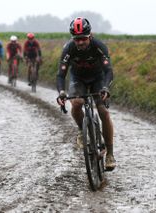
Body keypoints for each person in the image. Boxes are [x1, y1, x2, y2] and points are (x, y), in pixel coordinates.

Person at [56, 17, 116, 171]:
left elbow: (108, 70)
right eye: (77, 39)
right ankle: (82, 130)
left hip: (98, 79)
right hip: (78, 80)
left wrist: (106, 88)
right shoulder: (68, 49)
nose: (80, 42)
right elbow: (61, 75)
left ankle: (110, 154)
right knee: (76, 104)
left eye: (83, 38)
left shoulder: (98, 46)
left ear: (90, 36)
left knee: (103, 111)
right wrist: (62, 92)